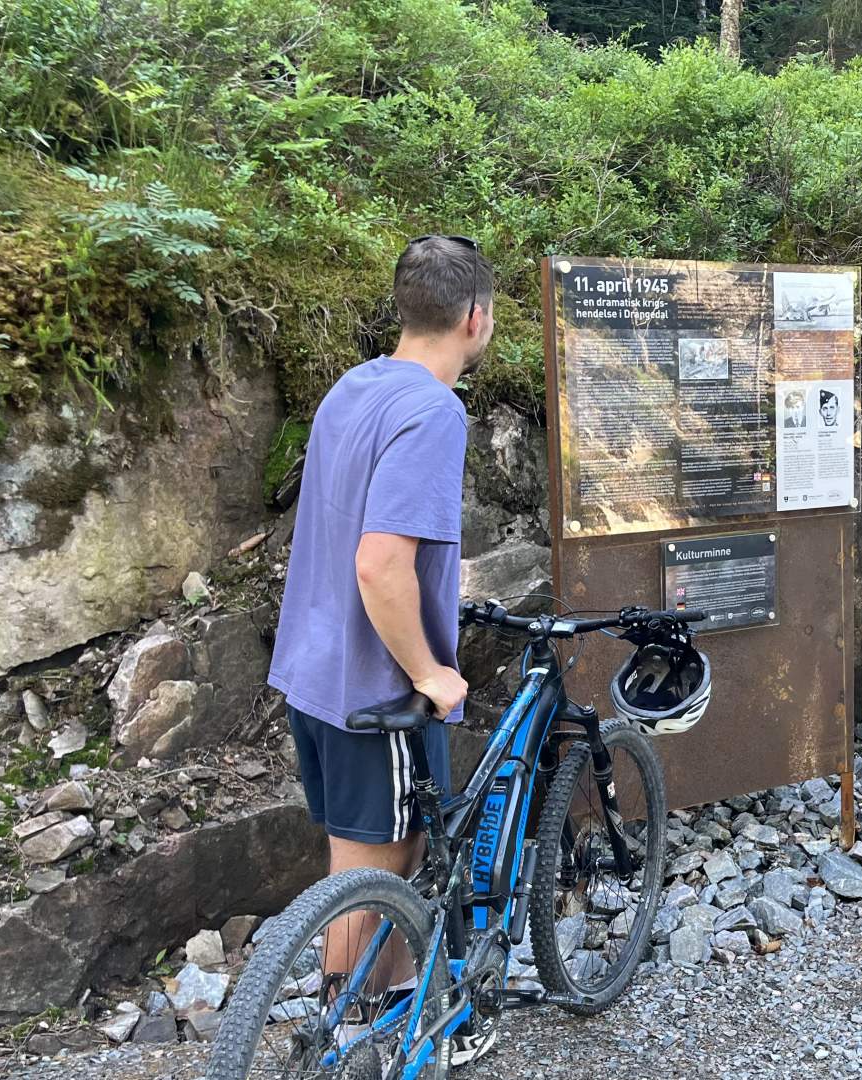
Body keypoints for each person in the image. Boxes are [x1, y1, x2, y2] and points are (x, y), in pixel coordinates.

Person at [266, 234, 497, 1060]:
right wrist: (430, 671)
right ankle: (344, 1046)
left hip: (313, 673)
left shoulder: (354, 386)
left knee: (366, 862)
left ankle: (390, 1015)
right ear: (475, 318)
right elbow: (380, 564)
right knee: (375, 872)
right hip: (376, 689)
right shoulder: (434, 411)